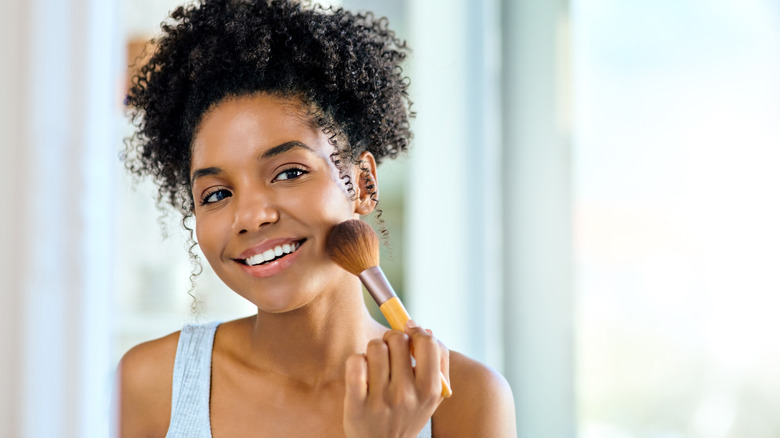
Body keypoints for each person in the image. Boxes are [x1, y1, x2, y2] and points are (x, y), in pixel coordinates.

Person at [117, 0, 517, 436]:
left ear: (361, 184)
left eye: (289, 172)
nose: (251, 216)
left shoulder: (466, 400)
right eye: (216, 194)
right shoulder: (150, 384)